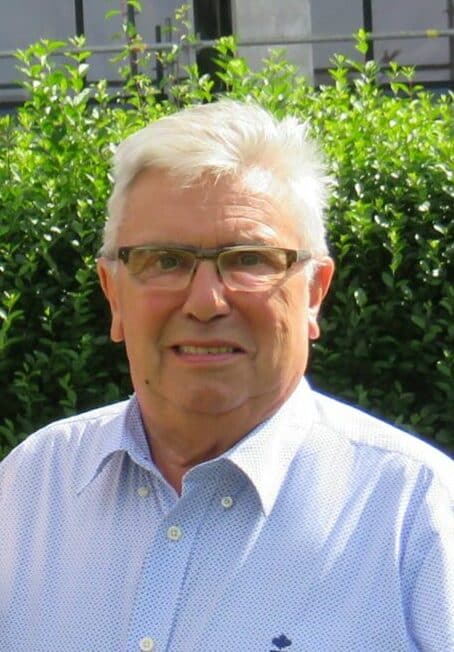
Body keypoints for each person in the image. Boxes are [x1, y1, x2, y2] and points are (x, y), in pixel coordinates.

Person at [0, 100, 452, 652]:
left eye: (249, 259)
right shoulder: (30, 489)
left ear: (313, 293)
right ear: (114, 294)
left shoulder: (418, 517)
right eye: (165, 260)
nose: (206, 302)